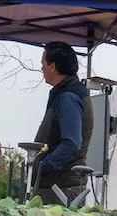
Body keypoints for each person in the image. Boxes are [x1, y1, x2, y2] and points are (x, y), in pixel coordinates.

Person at [33, 41, 94, 205]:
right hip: (60, 186)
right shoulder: (69, 93)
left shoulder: (68, 98)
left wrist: (43, 164)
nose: (41, 69)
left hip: (61, 190)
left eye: (43, 64)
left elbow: (72, 144)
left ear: (52, 66)